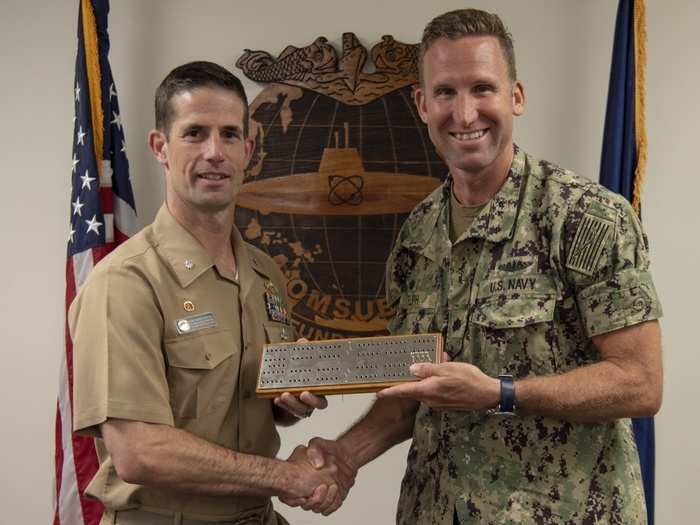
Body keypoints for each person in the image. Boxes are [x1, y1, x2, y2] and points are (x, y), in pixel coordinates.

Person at [295, 8, 663, 524]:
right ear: (422, 104)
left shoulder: (585, 216)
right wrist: (344, 457)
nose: (465, 114)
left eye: (482, 88)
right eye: (445, 92)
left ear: (516, 96)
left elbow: (640, 382)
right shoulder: (415, 237)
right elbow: (411, 393)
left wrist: (500, 393)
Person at [69, 61, 351, 525]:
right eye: (195, 133)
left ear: (250, 149)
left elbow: (248, 410)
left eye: (230, 135)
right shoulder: (126, 283)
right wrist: (285, 477)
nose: (215, 152)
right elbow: (140, 452)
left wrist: (289, 401)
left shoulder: (264, 275)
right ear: (160, 146)